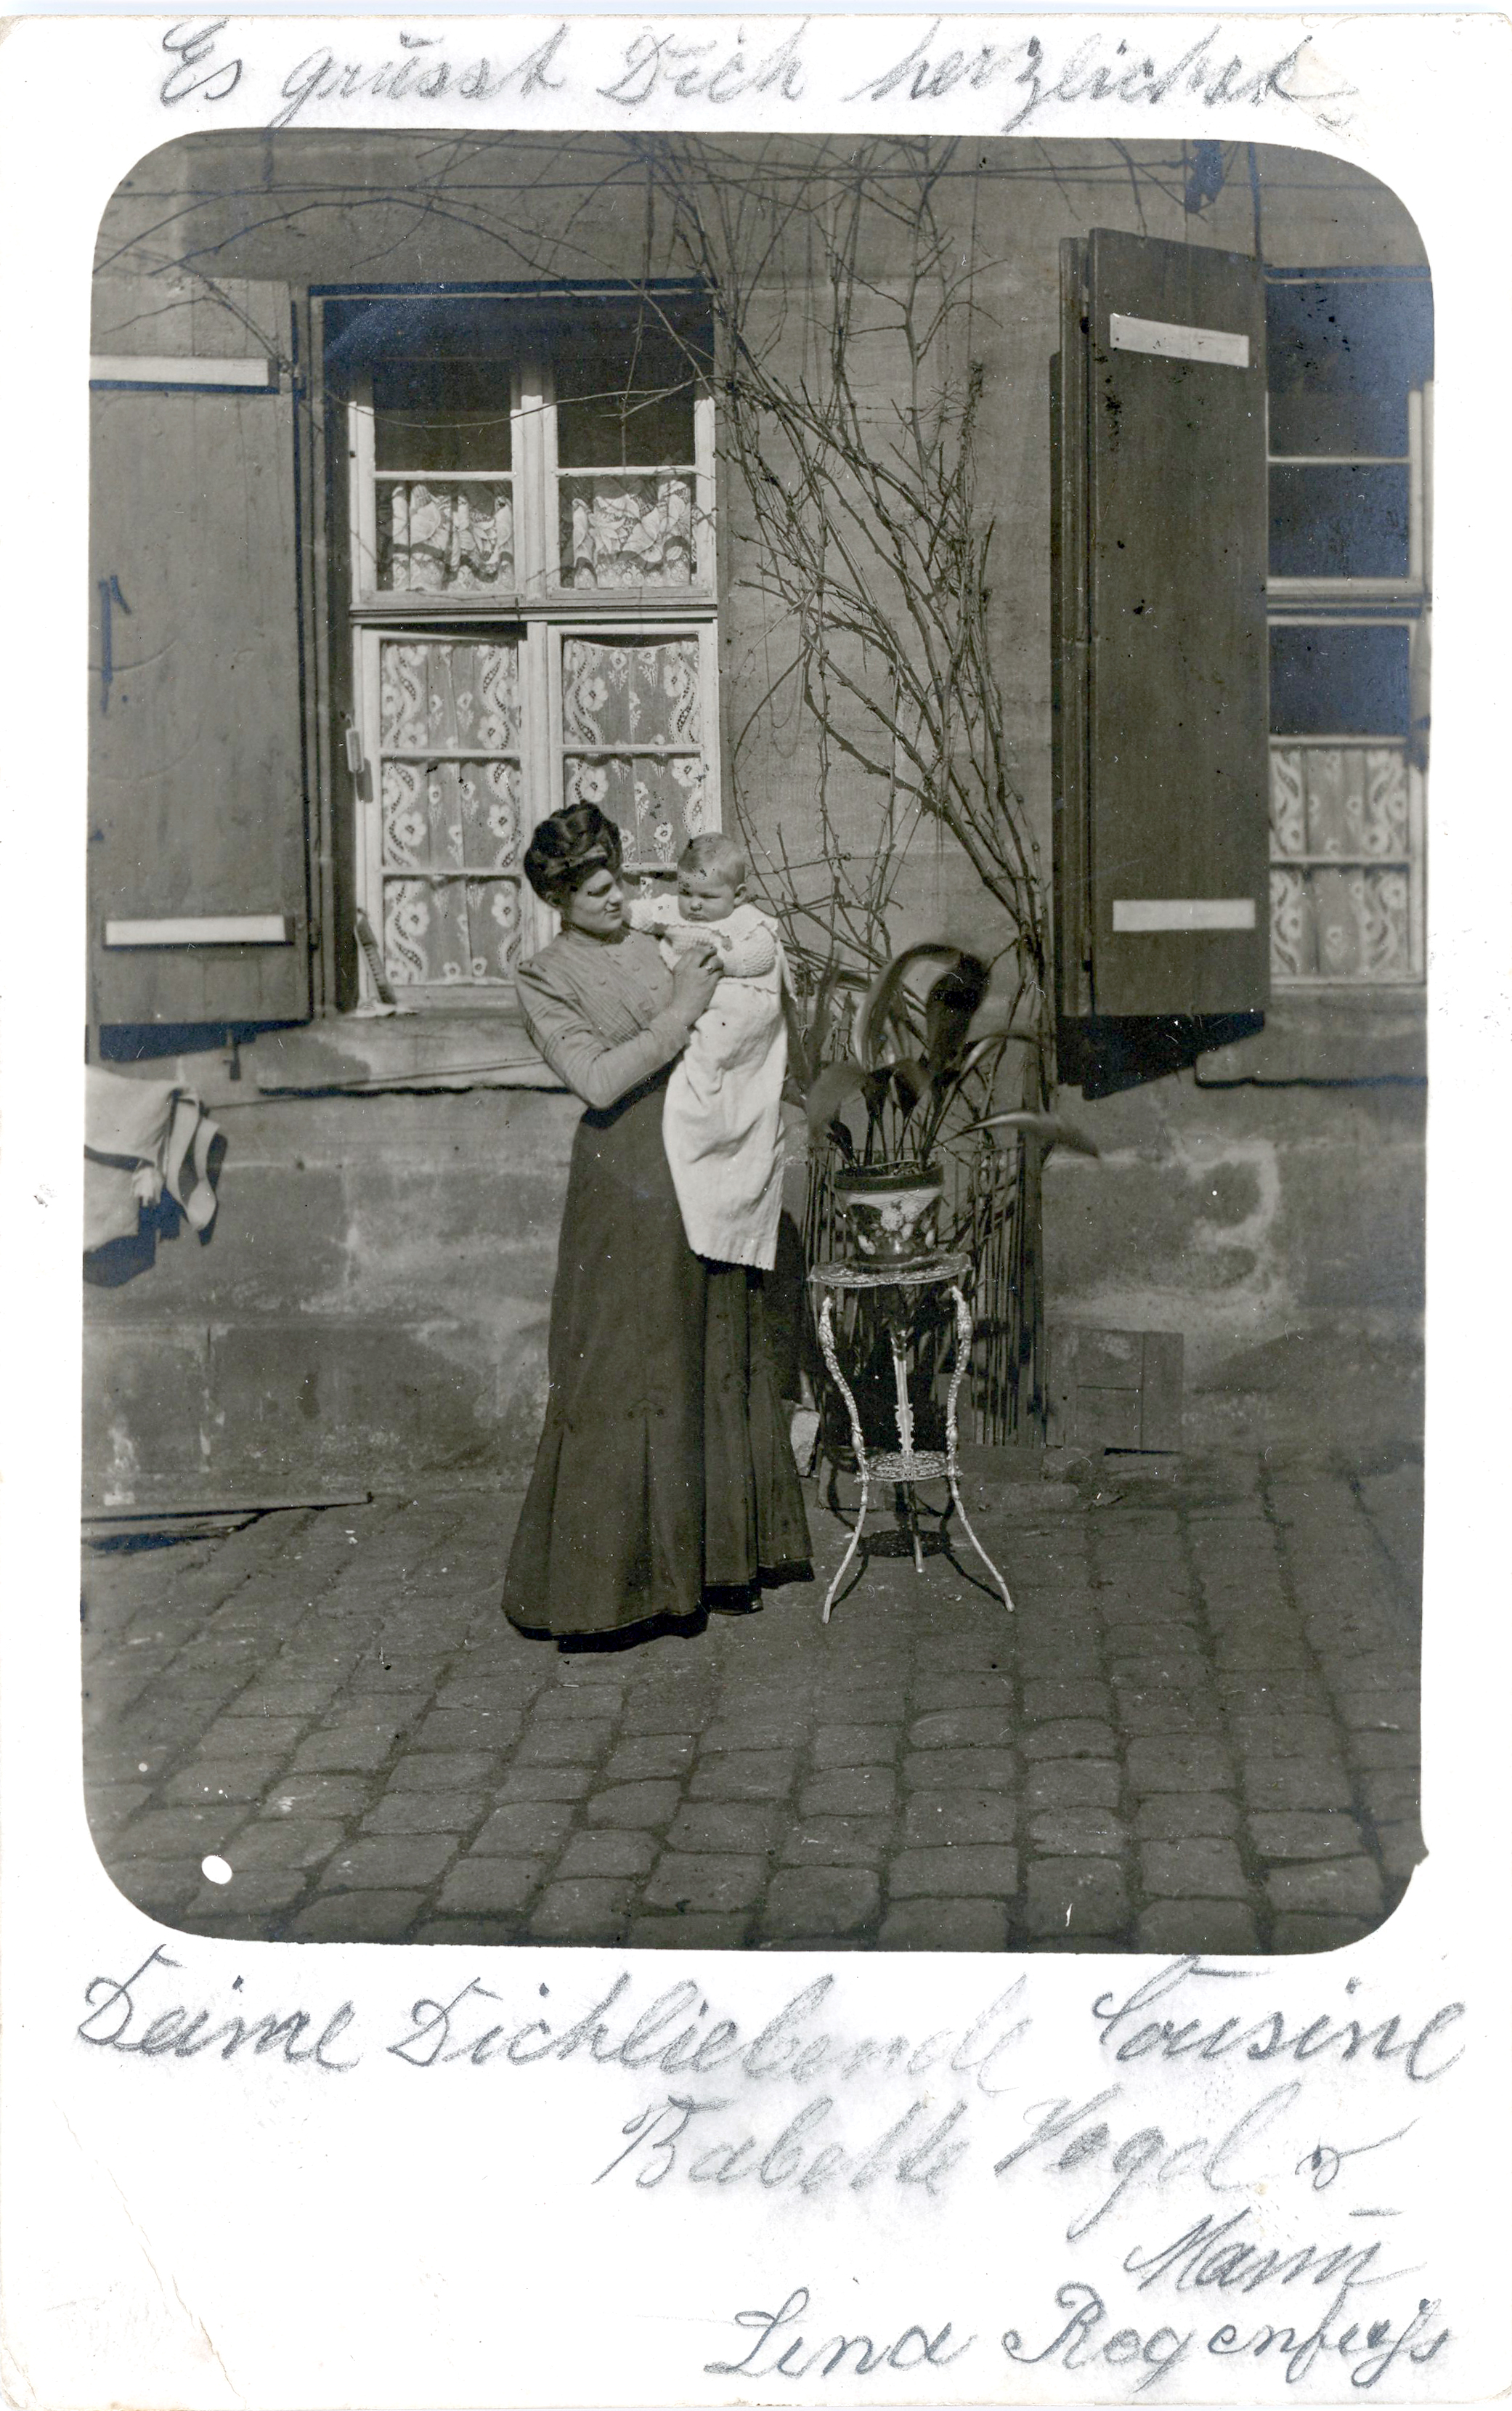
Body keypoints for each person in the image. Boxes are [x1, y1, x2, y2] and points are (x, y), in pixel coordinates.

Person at [501, 803, 812, 1645]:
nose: (614, 896)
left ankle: (723, 1566)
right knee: (630, 1366)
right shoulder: (543, 975)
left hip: (710, 1162)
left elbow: (748, 992)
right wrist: (680, 1009)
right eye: (593, 889)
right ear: (558, 899)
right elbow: (598, 1079)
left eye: (617, 879)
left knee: (709, 1348)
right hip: (629, 1176)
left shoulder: (660, 932)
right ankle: (620, 1590)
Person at [625, 832, 789, 1273]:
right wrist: (626, 913)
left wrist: (725, 964)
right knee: (697, 1070)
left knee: (727, 1040)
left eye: (708, 896)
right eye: (687, 893)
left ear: (739, 894)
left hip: (737, 997)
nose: (695, 905)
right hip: (700, 999)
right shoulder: (674, 911)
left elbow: (760, 958)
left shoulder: (748, 921)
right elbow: (643, 913)